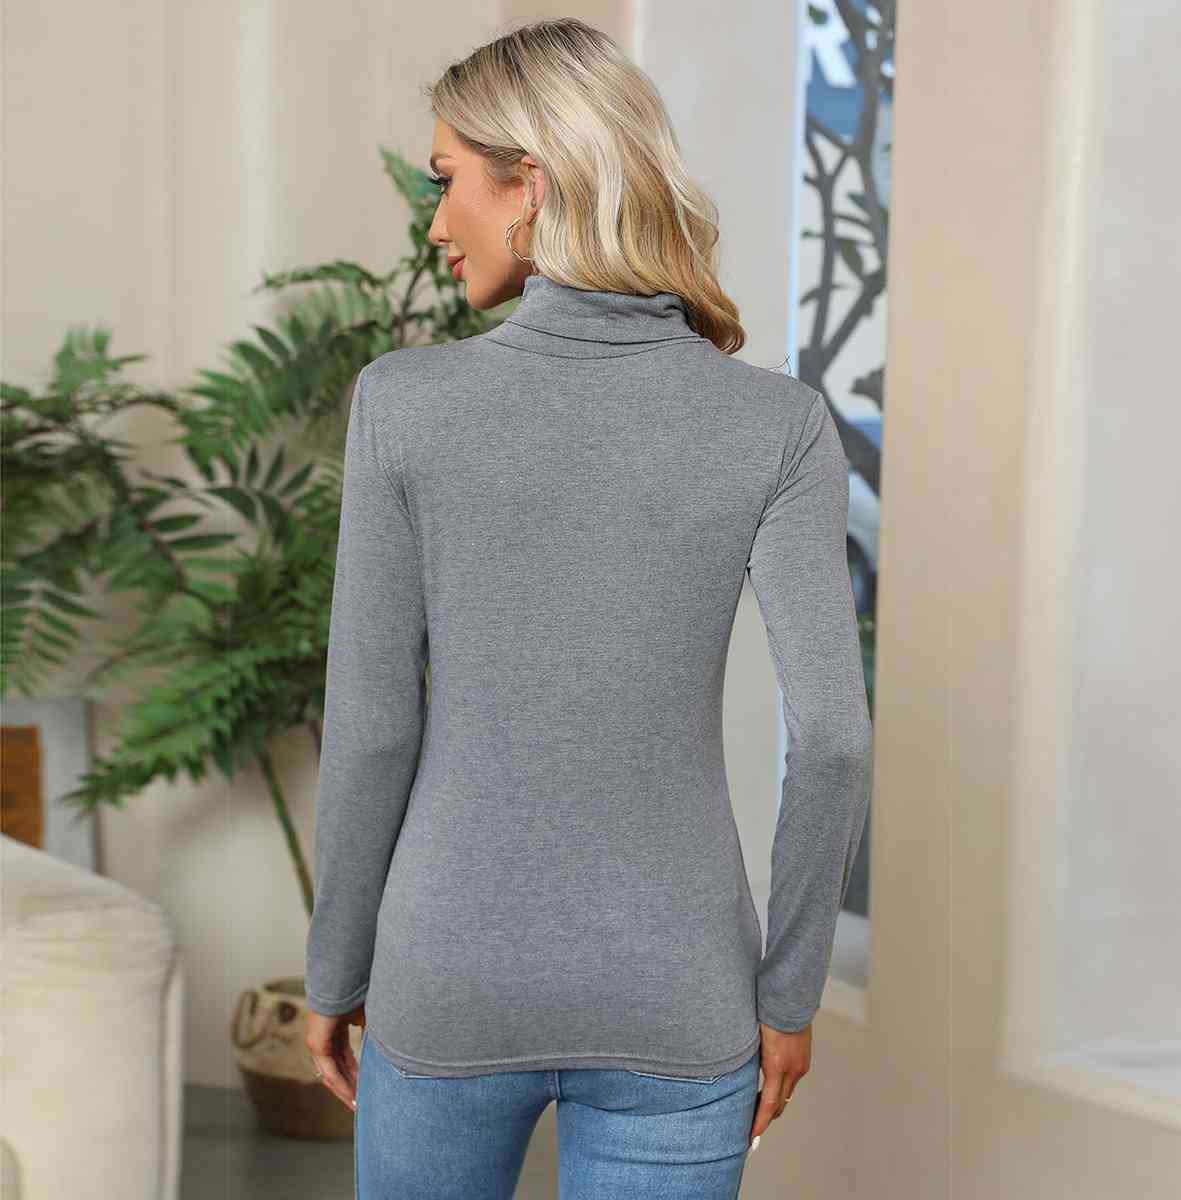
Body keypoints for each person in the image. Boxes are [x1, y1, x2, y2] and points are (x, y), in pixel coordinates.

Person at [303, 17, 872, 1200]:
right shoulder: (777, 424)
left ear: (530, 184)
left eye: (447, 180)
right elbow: (830, 738)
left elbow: (372, 728)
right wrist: (788, 995)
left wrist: (335, 971)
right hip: (681, 992)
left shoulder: (404, 405)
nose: (436, 221)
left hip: (447, 977)